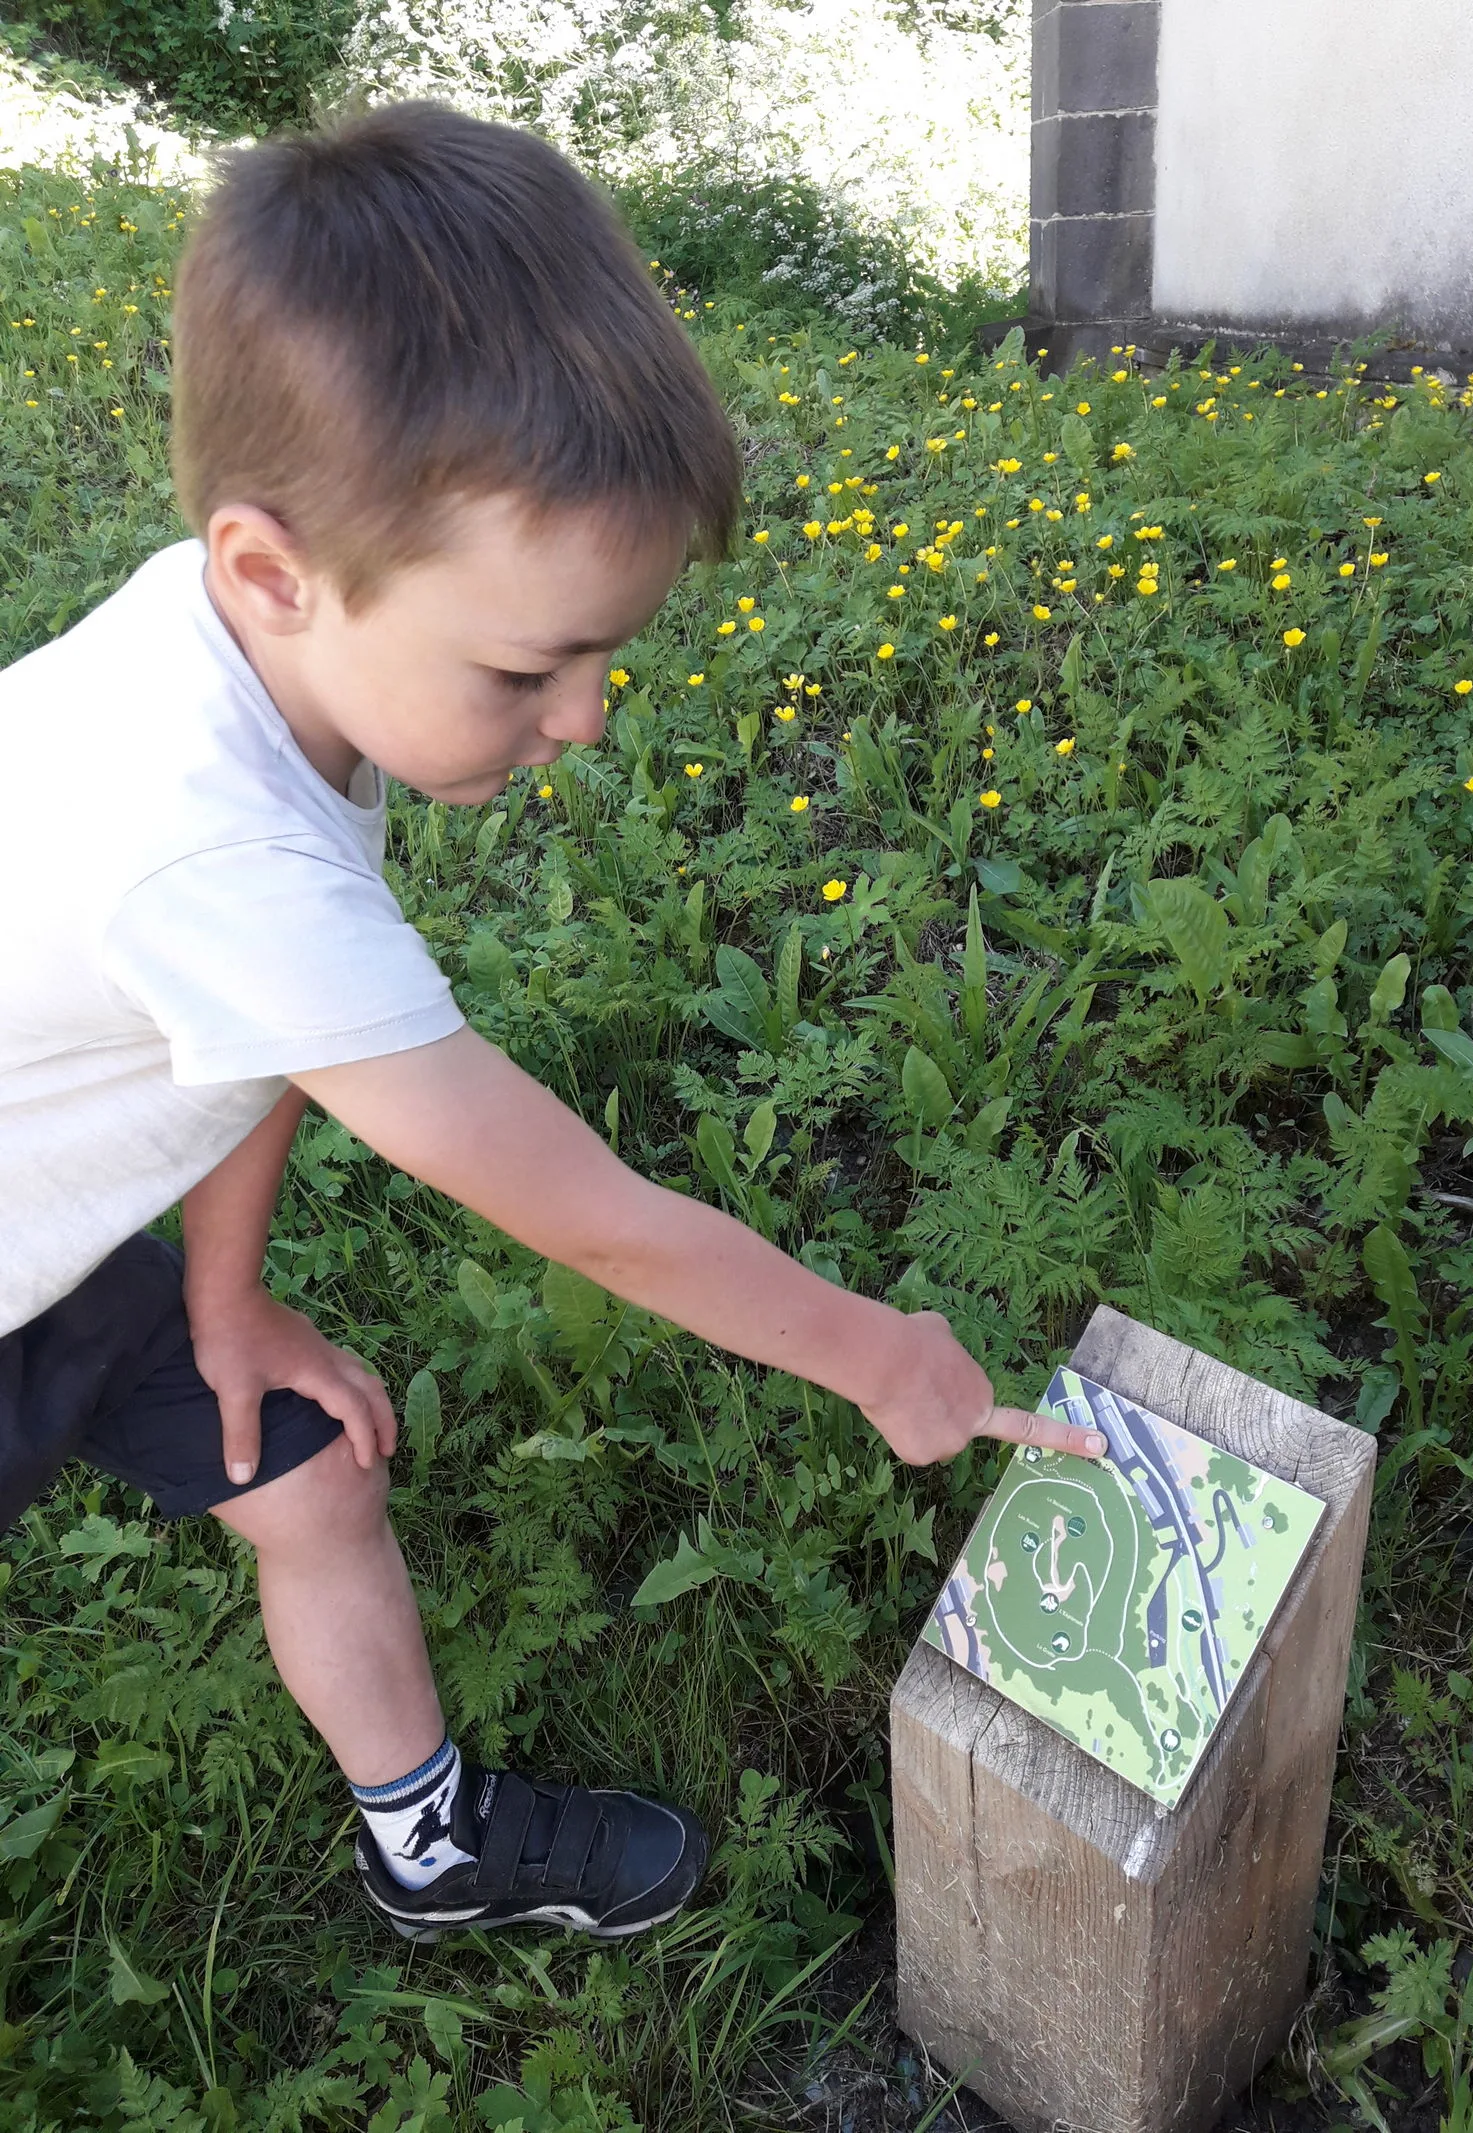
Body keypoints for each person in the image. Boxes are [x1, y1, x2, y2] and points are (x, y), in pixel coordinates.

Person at [0, 101, 1106, 1945]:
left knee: (306, 1471)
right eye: (528, 669)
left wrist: (223, 1298)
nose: (585, 718)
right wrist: (869, 1354)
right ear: (275, 569)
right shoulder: (203, 850)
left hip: (61, 1213)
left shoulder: (256, 656)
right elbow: (583, 1209)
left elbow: (250, 1036)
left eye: (606, 659)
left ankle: (427, 1844)